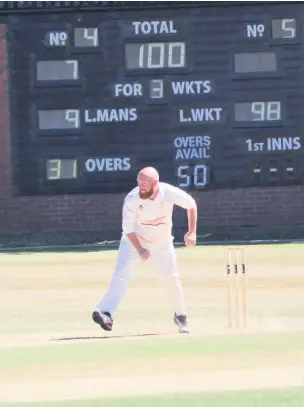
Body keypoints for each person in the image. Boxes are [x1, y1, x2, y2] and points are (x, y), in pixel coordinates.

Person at [92, 166, 197, 333]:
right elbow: (128, 229)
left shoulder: (168, 192)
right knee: (121, 274)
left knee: (171, 278)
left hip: (161, 244)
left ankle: (181, 316)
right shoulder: (132, 198)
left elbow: (191, 205)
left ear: (155, 183)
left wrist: (191, 232)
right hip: (134, 241)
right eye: (139, 182)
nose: (141, 186)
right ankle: (106, 313)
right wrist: (140, 249)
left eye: (145, 183)